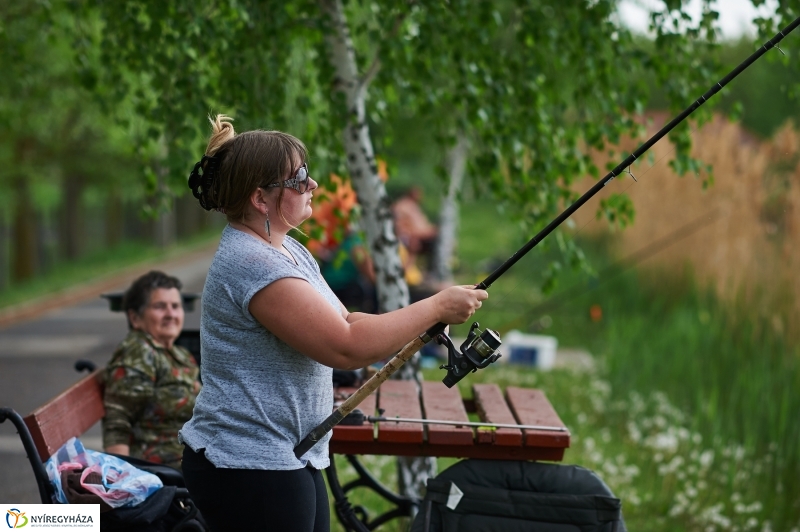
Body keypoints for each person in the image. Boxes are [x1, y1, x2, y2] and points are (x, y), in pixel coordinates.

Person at [180, 115, 488, 532]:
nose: (313, 184)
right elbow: (345, 345)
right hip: (248, 462)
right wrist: (435, 307)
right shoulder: (252, 262)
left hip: (289, 454)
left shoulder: (287, 249)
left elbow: (348, 319)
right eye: (298, 178)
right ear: (260, 198)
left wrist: (426, 315)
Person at [102, 270, 201, 470]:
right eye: (159, 307)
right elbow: (118, 422)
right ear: (135, 318)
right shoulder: (139, 353)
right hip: (162, 469)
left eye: (175, 306)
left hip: (190, 459)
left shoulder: (178, 354)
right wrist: (121, 478)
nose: (171, 314)